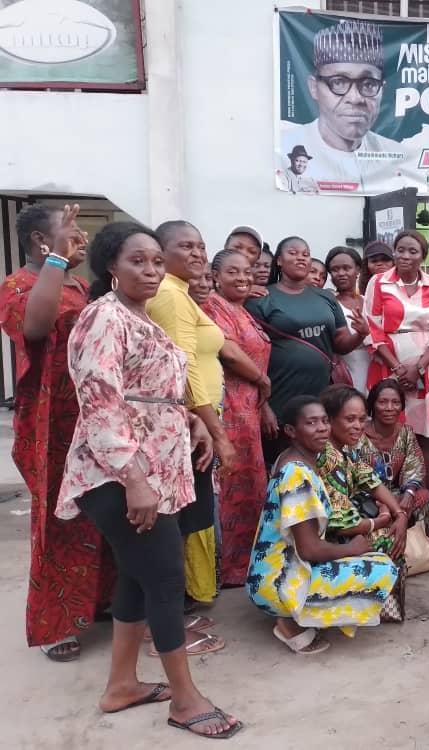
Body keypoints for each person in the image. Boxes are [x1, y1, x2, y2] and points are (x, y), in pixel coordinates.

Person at [57, 221, 241, 737]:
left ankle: (122, 687)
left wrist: (193, 422)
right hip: (119, 474)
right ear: (111, 266)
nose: (152, 269)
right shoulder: (103, 318)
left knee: (139, 578)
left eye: (157, 261)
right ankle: (185, 700)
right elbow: (101, 402)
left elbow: (152, 394)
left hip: (159, 465)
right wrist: (134, 478)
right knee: (164, 578)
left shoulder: (142, 319)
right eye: (139, 260)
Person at [0, 204, 115, 662]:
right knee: (60, 518)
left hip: (89, 416)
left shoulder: (79, 284)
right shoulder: (17, 285)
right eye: (69, 232)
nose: (80, 240)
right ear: (37, 242)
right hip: (51, 422)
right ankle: (58, 622)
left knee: (101, 511)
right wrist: (56, 262)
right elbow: (36, 326)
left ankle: (99, 600)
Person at [247, 395, 399, 655]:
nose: (321, 428)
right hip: (277, 580)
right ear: (291, 431)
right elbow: (308, 549)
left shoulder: (304, 461)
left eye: (324, 421)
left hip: (281, 568)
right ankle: (289, 621)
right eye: (311, 423)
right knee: (381, 569)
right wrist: (353, 549)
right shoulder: (296, 474)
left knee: (370, 551)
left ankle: (302, 610)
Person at [149, 221, 233, 612]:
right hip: (186, 424)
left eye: (201, 246)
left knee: (192, 516)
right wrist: (215, 430)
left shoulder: (179, 293)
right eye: (186, 246)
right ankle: (168, 614)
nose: (198, 253)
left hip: (193, 419)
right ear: (161, 253)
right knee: (180, 520)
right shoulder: (169, 294)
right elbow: (181, 367)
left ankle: (180, 605)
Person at [247, 235, 363, 464]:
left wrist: (360, 334)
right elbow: (251, 358)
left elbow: (340, 343)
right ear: (278, 260)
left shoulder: (324, 298)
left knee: (321, 463)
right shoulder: (261, 299)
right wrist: (264, 406)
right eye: (293, 252)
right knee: (281, 463)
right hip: (280, 398)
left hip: (320, 396)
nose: (301, 257)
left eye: (306, 254)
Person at [201, 249, 273, 587]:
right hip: (228, 407)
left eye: (247, 272)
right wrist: (261, 379)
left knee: (250, 485)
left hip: (249, 411)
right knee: (230, 486)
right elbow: (228, 352)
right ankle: (226, 568)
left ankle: (245, 561)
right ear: (216, 276)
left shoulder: (241, 310)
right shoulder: (212, 307)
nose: (242, 278)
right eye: (233, 272)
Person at [364, 229, 429, 492]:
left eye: (412, 251)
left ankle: (426, 506)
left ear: (422, 256)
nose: (405, 255)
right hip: (387, 365)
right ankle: (389, 502)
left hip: (428, 369)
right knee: (387, 436)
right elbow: (372, 328)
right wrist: (398, 368)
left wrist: (418, 368)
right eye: (400, 249)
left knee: (425, 439)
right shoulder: (379, 283)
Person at [280, 20, 401, 192]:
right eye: (338, 82)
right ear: (314, 88)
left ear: (383, 89)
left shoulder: (396, 157)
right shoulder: (286, 144)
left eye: (368, 84)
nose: (355, 98)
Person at [315, 386, 409, 560]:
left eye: (362, 419)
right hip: (327, 539)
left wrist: (399, 513)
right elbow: (341, 525)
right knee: (390, 540)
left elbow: (371, 481)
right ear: (330, 419)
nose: (358, 426)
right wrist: (381, 520)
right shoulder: (327, 456)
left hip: (351, 525)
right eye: (350, 419)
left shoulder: (345, 449)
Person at [356, 379, 429, 544]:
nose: (389, 408)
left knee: (425, 497)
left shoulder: (406, 432)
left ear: (402, 406)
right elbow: (355, 477)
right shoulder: (357, 435)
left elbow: (415, 465)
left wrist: (409, 493)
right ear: (372, 405)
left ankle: (426, 549)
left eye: (395, 402)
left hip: (399, 494)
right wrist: (384, 504)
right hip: (367, 498)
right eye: (383, 402)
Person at [326, 245, 372, 395]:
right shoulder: (330, 303)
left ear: (358, 269)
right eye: (335, 269)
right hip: (347, 371)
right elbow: (338, 345)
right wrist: (360, 335)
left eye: (347, 268)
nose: (341, 273)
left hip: (375, 368)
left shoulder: (369, 301)